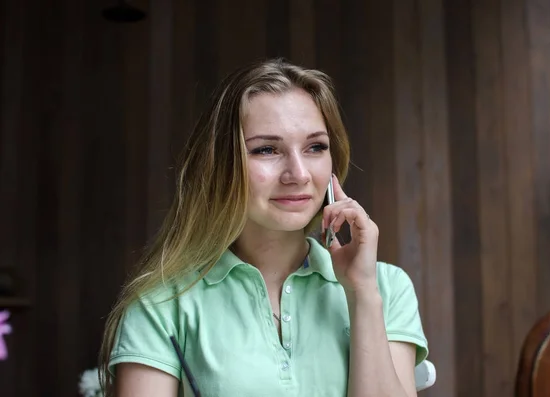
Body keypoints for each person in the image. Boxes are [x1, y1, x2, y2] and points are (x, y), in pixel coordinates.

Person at [99, 58, 428, 397]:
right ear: (220, 164)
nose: (298, 174)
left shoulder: (386, 289)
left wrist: (361, 293)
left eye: (315, 147)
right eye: (267, 150)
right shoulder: (161, 305)